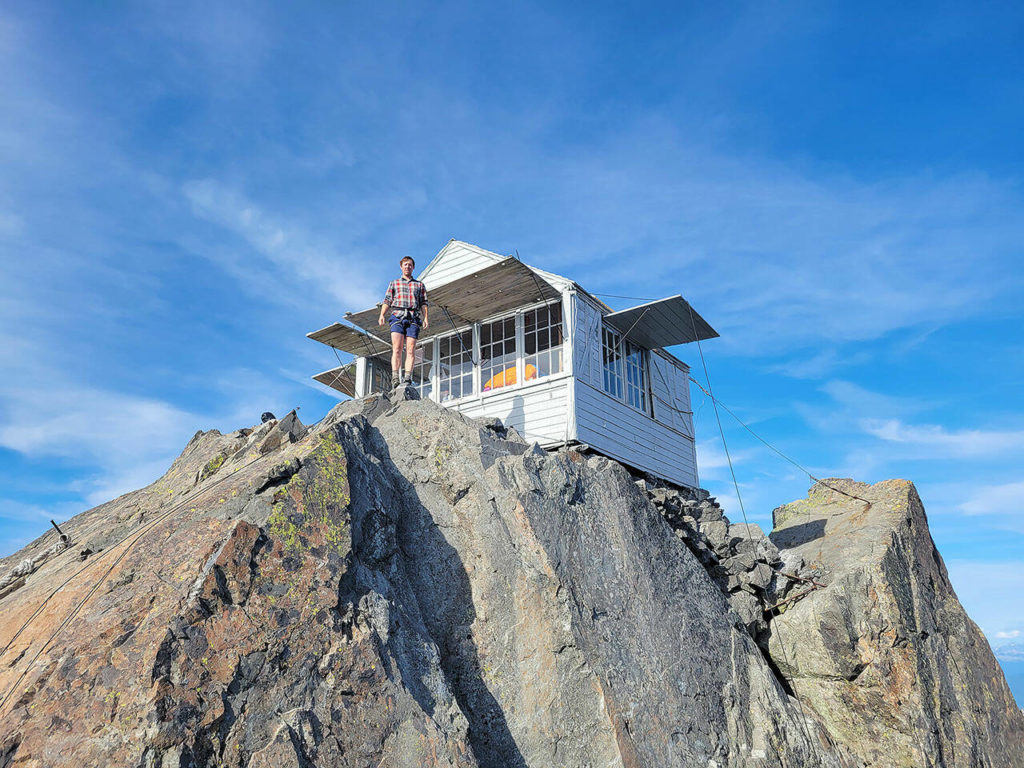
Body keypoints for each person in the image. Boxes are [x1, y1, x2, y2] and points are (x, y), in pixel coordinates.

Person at [378, 256, 429, 390]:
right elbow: (387, 300)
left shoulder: (419, 285)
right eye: (405, 265)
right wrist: (382, 315)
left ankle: (407, 377)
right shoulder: (394, 283)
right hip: (397, 315)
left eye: (410, 265)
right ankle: (395, 377)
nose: (408, 267)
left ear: (413, 267)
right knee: (397, 348)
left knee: (411, 349)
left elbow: (424, 303)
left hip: (413, 317)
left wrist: (426, 318)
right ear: (401, 266)